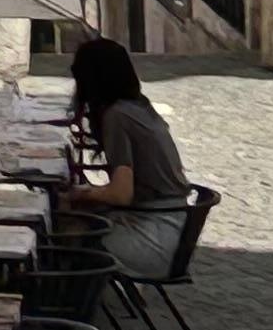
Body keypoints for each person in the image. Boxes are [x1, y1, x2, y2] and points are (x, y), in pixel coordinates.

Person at [57, 36, 194, 278]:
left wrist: (82, 193)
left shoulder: (117, 116)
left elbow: (121, 193)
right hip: (172, 226)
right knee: (75, 217)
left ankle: (68, 302)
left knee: (66, 228)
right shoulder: (138, 107)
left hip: (154, 236)